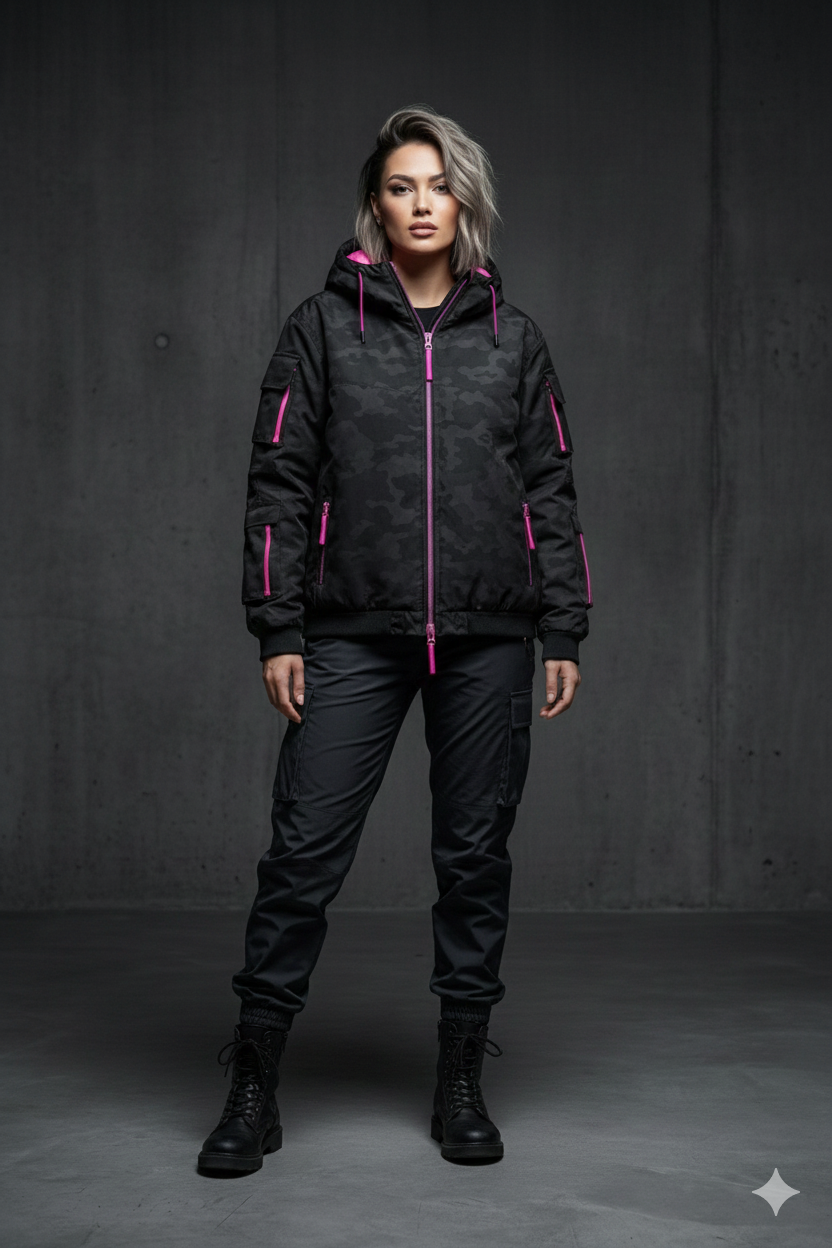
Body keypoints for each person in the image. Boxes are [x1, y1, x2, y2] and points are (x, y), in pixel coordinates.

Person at [198, 105, 592, 1174]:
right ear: (375, 204)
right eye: (402, 186)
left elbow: (550, 488)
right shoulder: (320, 329)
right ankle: (253, 1083)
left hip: (489, 634)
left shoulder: (515, 338)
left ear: (465, 202)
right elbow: (278, 481)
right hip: (350, 630)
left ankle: (460, 1075)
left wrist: (563, 624)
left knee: (473, 860)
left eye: (440, 185)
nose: (422, 204)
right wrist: (278, 624)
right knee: (301, 856)